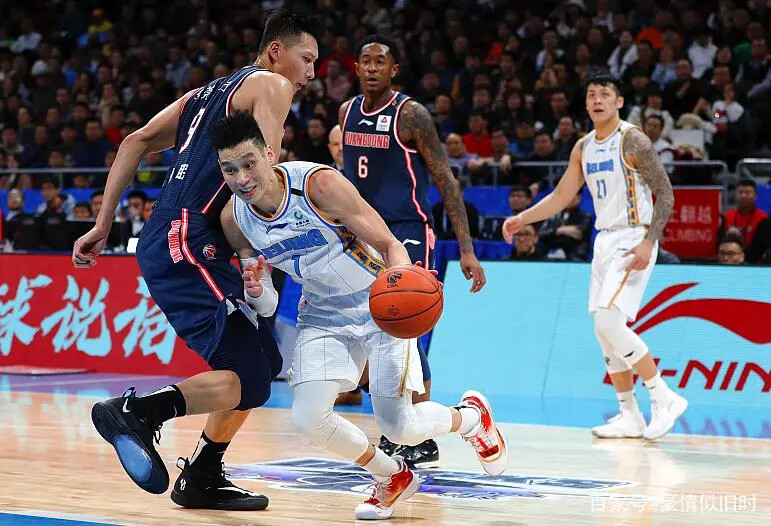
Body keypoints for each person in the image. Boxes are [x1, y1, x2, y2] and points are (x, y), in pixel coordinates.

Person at [71, 10, 323, 510]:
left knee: (263, 364)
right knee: (249, 374)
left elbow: (135, 141)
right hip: (190, 241)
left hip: (180, 236)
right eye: (307, 58)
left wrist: (103, 224)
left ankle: (204, 474)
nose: (311, 72)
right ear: (276, 51)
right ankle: (140, 412)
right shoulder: (273, 85)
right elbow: (263, 179)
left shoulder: (205, 94)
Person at [212, 111, 507, 520]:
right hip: (321, 310)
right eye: (229, 169)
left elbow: (389, 244)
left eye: (248, 164)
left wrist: (401, 284)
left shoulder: (318, 185)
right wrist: (257, 291)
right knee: (308, 419)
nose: (242, 178)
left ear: (269, 154)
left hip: (377, 301)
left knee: (398, 426)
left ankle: (472, 418)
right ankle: (391, 476)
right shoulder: (234, 219)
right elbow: (267, 307)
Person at [502, 74, 687, 441]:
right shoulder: (583, 146)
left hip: (633, 236)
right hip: (603, 241)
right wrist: (523, 218)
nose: (597, 100)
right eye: (591, 95)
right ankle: (629, 414)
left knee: (608, 323)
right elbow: (561, 197)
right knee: (603, 332)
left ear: (619, 102)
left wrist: (649, 242)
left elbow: (665, 193)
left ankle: (664, 396)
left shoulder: (632, 139)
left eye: (605, 94)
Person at [338, 35, 487, 469]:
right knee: (369, 331)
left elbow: (445, 180)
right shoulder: (346, 112)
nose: (371, 68)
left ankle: (423, 434)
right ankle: (398, 426)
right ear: (356, 67)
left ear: (394, 70)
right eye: (365, 61)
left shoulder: (410, 114)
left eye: (380, 61)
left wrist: (466, 249)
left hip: (406, 232)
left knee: (406, 325)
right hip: (362, 233)